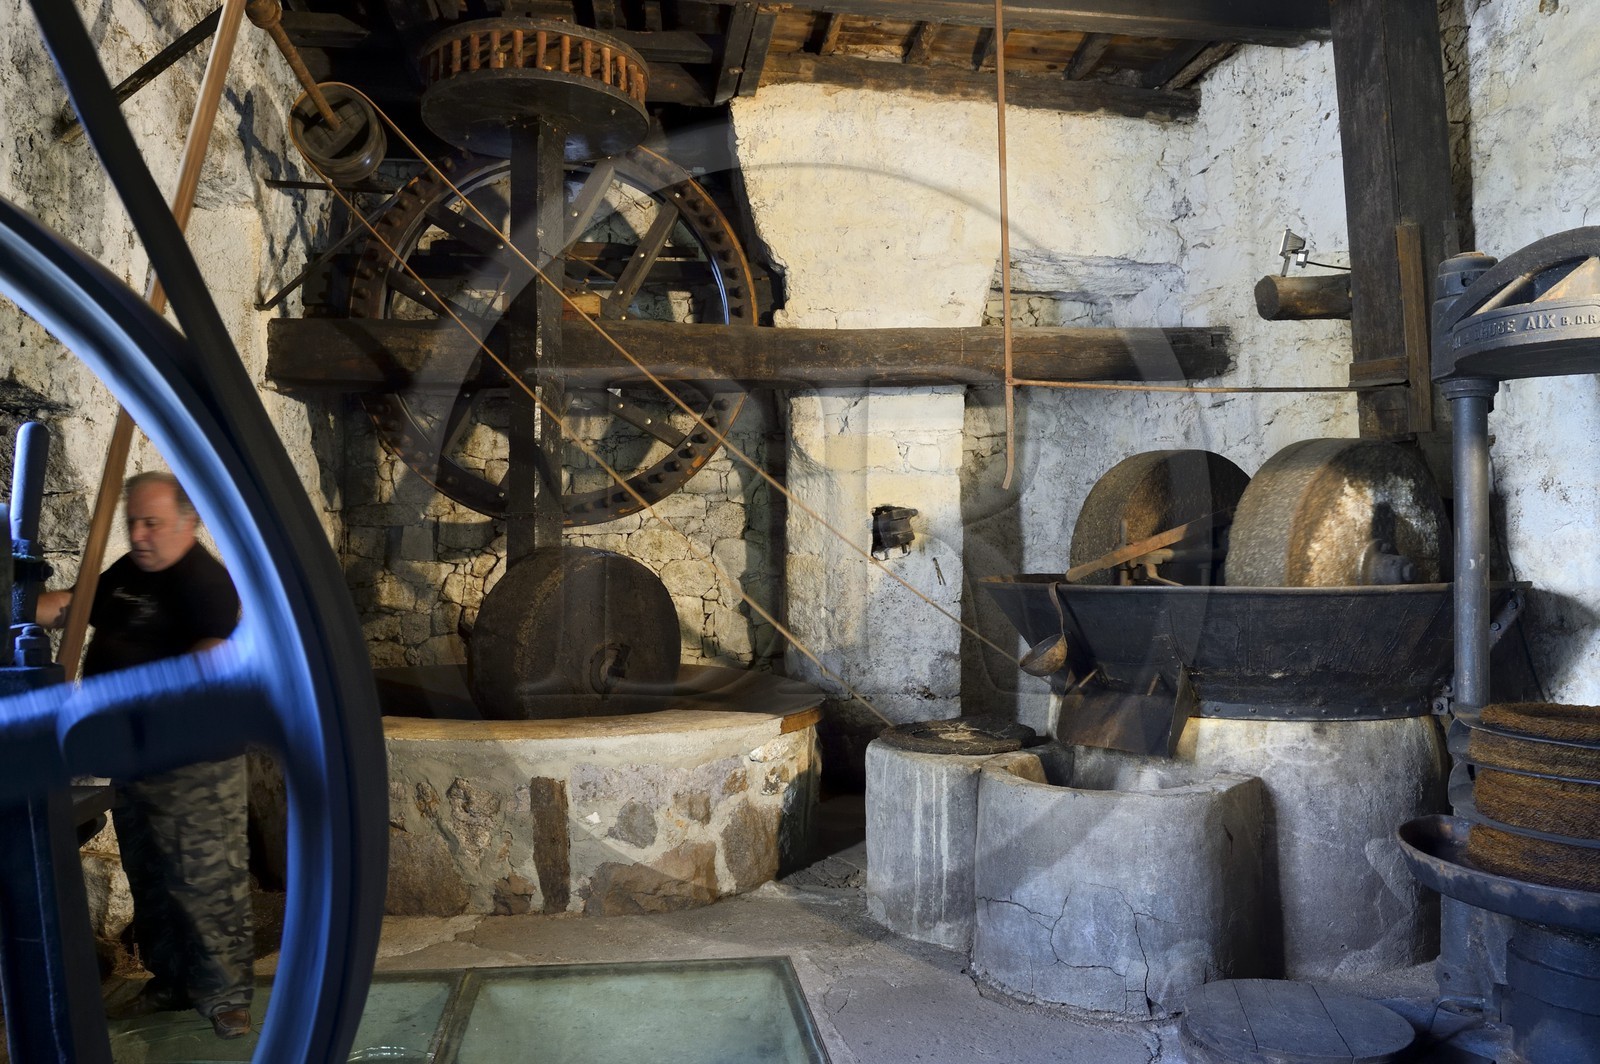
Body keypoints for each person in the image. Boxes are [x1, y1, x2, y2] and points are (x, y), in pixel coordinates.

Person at [37, 470, 253, 1039]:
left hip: (193, 765)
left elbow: (200, 669)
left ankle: (226, 999)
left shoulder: (205, 584)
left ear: (187, 521)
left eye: (151, 523)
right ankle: (171, 985)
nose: (139, 533)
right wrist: (25, 602)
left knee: (205, 881)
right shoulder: (132, 572)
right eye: (133, 522)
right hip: (135, 760)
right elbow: (76, 606)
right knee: (151, 877)